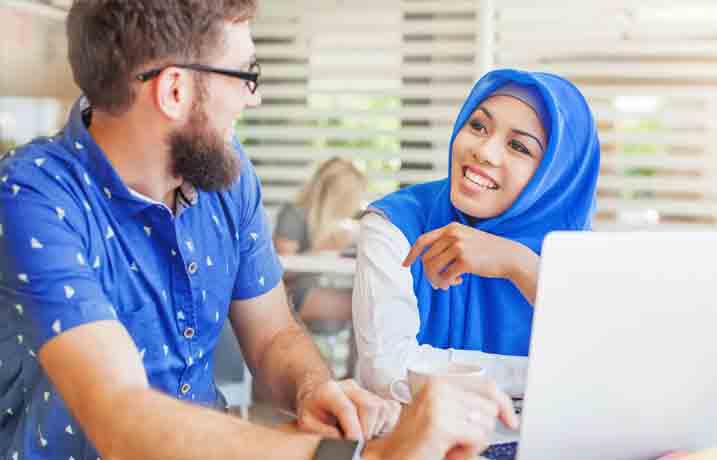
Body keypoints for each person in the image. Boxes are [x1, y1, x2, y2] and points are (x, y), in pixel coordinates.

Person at [0, 2, 517, 460]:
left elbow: (273, 336)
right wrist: (363, 456)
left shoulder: (226, 175)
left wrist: (313, 388)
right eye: (246, 74)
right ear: (175, 90)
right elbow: (121, 422)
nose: (255, 99)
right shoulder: (32, 196)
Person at [352, 68, 601, 399]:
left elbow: (610, 367)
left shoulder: (575, 252)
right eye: (478, 126)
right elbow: (390, 372)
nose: (484, 152)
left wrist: (520, 265)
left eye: (519, 147)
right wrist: (544, 376)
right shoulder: (395, 225)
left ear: (555, 179)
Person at [274, 157, 366, 323]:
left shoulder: (343, 224)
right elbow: (280, 272)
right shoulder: (294, 214)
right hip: (297, 293)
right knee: (367, 308)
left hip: (330, 284)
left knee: (369, 300)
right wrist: (325, 250)